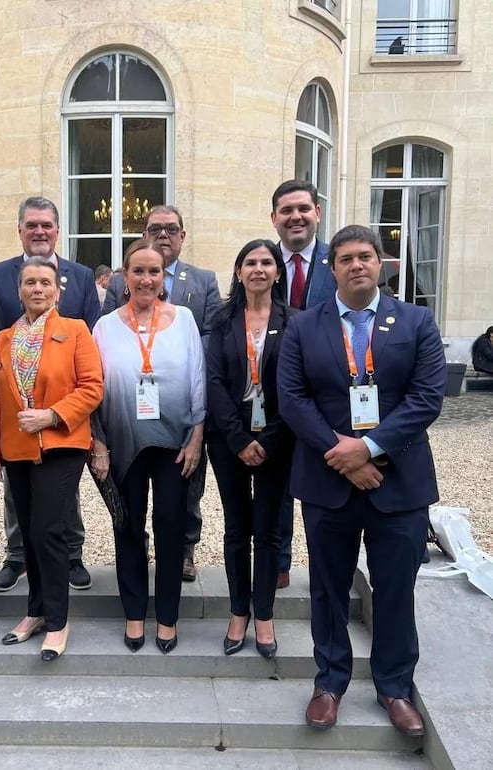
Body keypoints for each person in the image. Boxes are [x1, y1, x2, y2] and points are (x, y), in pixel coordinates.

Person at [277, 224, 445, 736]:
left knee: (395, 589)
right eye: (346, 258)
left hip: (400, 483)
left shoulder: (416, 321)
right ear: (333, 267)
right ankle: (329, 683)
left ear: (381, 264)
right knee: (328, 588)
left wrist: (368, 448)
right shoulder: (305, 326)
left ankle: (394, 688)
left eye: (366, 256)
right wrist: (343, 454)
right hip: (328, 482)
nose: (356, 265)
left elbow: (426, 397)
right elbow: (292, 398)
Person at [0, 258, 103, 661]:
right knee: (28, 531)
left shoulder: (76, 331)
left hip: (61, 445)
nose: (38, 289)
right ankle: (35, 611)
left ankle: (58, 621)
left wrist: (52, 415)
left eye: (46, 282)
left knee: (49, 531)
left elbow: (92, 386)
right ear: (19, 290)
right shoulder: (3, 340)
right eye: (30, 282)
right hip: (16, 448)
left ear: (58, 290)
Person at [92, 239, 205, 654]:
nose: (145, 279)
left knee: (171, 527)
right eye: (137, 270)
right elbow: (93, 387)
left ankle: (169, 617)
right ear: (123, 275)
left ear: (164, 277)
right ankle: (135, 612)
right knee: (128, 526)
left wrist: (197, 435)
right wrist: (97, 442)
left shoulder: (186, 320)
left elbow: (198, 378)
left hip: (176, 443)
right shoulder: (104, 327)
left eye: (153, 271)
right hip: (124, 442)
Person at [0, 197, 101, 593]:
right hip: (15, 401)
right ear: (20, 229)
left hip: (64, 401)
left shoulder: (82, 276)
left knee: (62, 488)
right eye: (32, 224)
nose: (40, 231)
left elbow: (90, 334)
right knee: (18, 491)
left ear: (58, 230)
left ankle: (71, 552)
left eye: (47, 225)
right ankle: (17, 555)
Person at [103, 205, 220, 582]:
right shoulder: (113, 310)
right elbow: (105, 347)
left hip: (177, 414)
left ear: (182, 236)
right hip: (127, 424)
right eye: (156, 228)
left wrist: (197, 422)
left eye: (172, 228)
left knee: (183, 494)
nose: (164, 234)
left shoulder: (201, 282)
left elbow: (209, 341)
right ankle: (139, 561)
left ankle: (185, 549)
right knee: (132, 510)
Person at [206, 240, 295, 659]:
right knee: (237, 529)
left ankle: (264, 615)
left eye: (266, 262)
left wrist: (270, 438)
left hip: (278, 438)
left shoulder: (294, 322)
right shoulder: (222, 320)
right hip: (229, 440)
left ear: (277, 271)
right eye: (250, 262)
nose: (258, 269)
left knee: (270, 531)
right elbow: (214, 383)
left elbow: (298, 388)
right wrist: (240, 440)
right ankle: (238, 610)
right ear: (238, 271)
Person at [271, 180, 338, 589]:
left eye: (303, 209)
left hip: (329, 396)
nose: (295, 217)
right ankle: (279, 561)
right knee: (277, 484)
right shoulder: (261, 260)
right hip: (276, 396)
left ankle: (326, 567)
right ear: (274, 218)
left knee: (326, 483)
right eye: (286, 210)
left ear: (317, 212)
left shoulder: (340, 259)